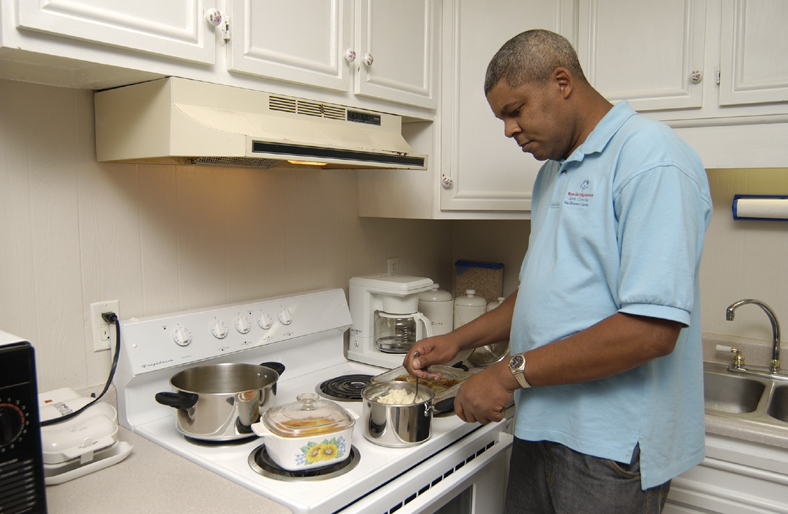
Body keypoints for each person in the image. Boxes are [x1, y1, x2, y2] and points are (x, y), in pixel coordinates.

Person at [403, 29, 712, 513]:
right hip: (541, 420)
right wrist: (460, 340)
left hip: (609, 450)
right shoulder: (553, 171)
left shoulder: (651, 159)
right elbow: (539, 293)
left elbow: (652, 331)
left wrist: (506, 375)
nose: (509, 130)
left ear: (562, 82)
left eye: (515, 109)